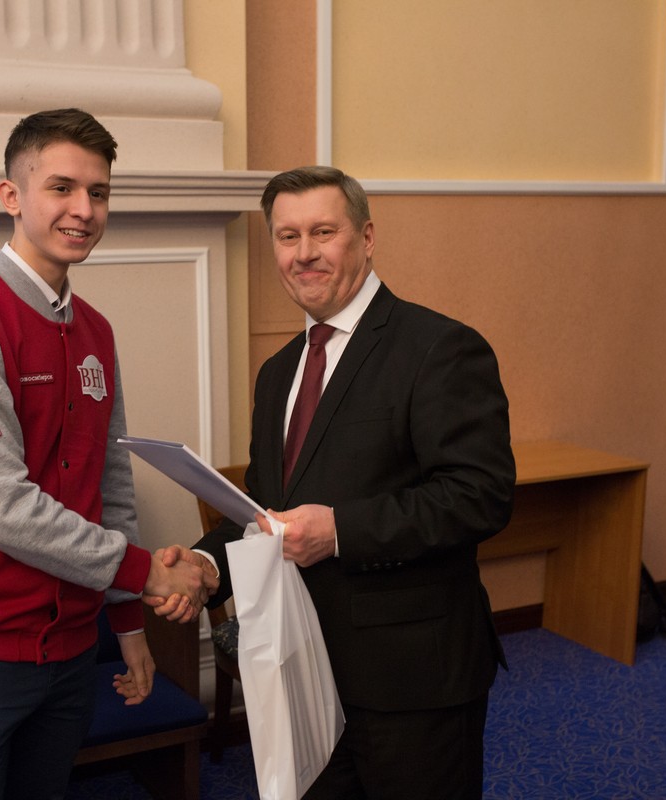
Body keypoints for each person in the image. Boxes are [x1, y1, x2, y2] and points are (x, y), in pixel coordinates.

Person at [151, 165, 515, 799]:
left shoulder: (439, 348)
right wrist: (208, 568)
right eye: (287, 236)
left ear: (366, 238)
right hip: (302, 667)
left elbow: (479, 496)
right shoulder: (277, 373)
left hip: (412, 678)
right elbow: (265, 511)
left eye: (323, 232)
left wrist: (340, 531)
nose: (304, 253)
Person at [0, 108, 213, 800]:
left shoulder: (95, 331)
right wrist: (147, 574)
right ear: (11, 196)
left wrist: (127, 622)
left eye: (98, 192)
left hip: (68, 651)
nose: (84, 210)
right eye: (61, 188)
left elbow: (109, 486)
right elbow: (1, 507)